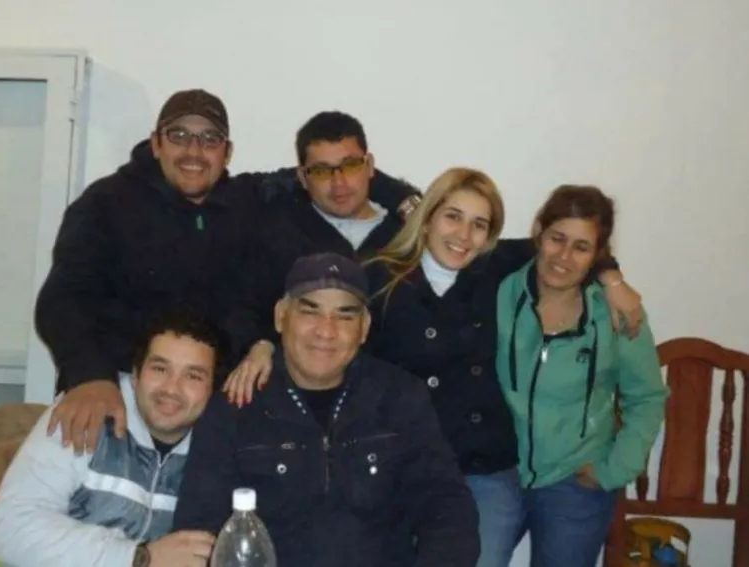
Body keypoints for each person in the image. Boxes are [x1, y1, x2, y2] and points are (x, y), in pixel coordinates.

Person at [222, 167, 645, 567]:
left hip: (481, 465)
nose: (463, 235)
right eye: (453, 216)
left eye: (479, 225)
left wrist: (611, 278)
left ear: (489, 237)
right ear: (427, 218)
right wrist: (264, 345)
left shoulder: (497, 269)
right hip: (393, 456)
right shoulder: (380, 276)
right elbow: (316, 312)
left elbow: (566, 248)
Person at [35, 89, 419, 452]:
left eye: (210, 139)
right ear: (156, 143)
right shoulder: (106, 203)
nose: (194, 151)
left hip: (212, 402)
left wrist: (404, 199)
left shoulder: (246, 201)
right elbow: (63, 298)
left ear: (227, 152)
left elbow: (325, 172)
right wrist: (89, 376)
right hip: (116, 388)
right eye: (179, 135)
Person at [172, 252, 480, 567]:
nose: (326, 331)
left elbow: (447, 506)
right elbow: (199, 527)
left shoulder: (399, 398)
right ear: (280, 317)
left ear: (364, 328)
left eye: (345, 316)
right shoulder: (237, 405)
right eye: (310, 311)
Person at [495, 185, 668, 567]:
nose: (564, 257)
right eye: (557, 239)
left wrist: (616, 468)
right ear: (538, 232)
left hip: (576, 479)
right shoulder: (498, 291)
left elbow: (647, 396)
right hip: (499, 469)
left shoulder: (616, 313)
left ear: (598, 254)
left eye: (581, 247)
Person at [0, 309, 226, 567]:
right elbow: (12, 530)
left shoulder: (220, 448)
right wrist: (138, 558)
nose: (171, 388)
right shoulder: (87, 412)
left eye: (193, 376)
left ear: (212, 390)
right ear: (135, 376)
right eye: (160, 368)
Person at [223, 110, 420, 398]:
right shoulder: (277, 230)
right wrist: (258, 344)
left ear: (370, 166)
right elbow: (243, 305)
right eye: (321, 171)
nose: (339, 183)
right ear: (302, 178)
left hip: (391, 397)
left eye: (350, 166)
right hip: (295, 392)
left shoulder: (407, 233)